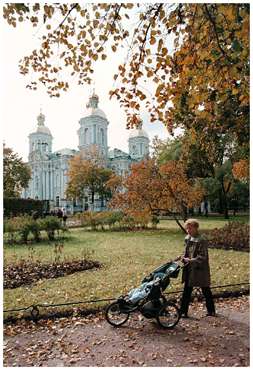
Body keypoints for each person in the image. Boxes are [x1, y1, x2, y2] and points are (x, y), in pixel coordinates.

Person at [179, 219, 216, 318]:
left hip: (200, 270)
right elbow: (185, 251)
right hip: (189, 269)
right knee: (187, 290)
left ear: (196, 228)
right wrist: (182, 257)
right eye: (187, 228)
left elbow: (202, 257)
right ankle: (183, 312)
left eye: (190, 228)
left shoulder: (201, 240)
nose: (188, 230)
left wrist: (190, 260)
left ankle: (211, 310)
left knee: (205, 289)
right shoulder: (187, 238)